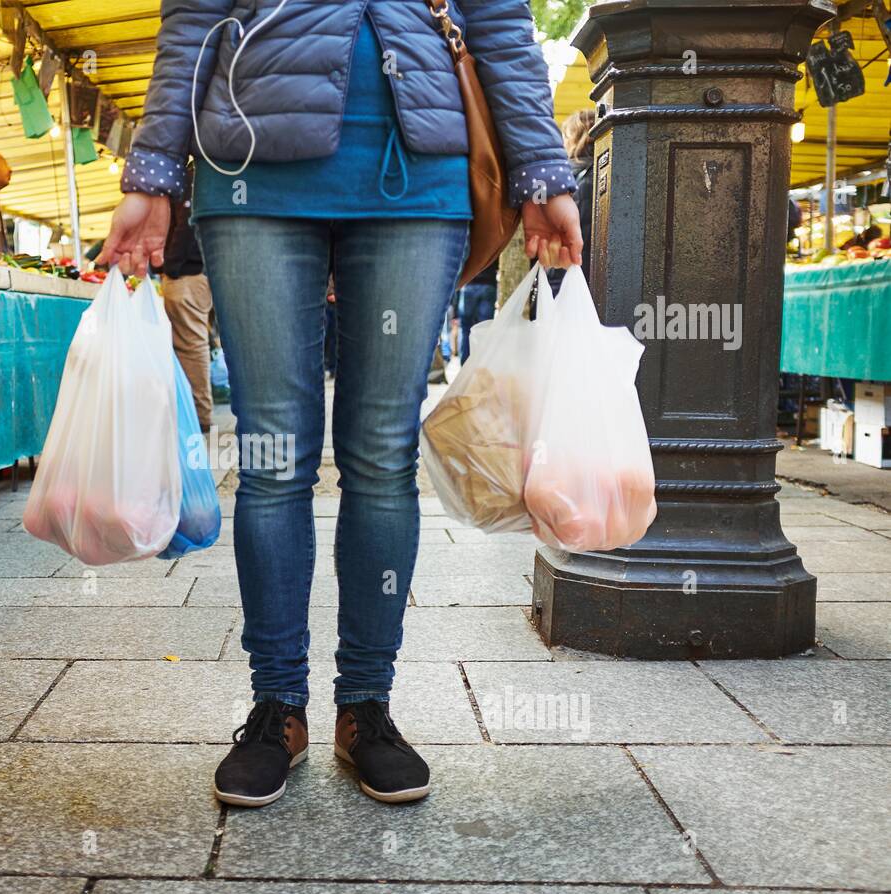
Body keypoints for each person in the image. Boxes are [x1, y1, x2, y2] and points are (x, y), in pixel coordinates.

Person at [99, 0, 581, 809]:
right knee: (274, 456)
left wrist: (539, 168)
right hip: (253, 171)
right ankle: (278, 708)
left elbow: (497, 17)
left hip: (417, 173)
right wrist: (153, 172)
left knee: (382, 454)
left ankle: (367, 707)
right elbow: (193, 18)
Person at [160, 165, 214, 431]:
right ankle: (198, 412)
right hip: (200, 271)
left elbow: (187, 222)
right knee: (194, 344)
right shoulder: (206, 171)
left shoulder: (190, 177)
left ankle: (199, 415)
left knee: (190, 346)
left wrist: (170, 265)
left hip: (188, 274)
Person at [547, 108, 596, 294]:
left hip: (562, 275)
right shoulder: (603, 173)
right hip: (588, 279)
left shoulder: (565, 177)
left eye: (566, 136)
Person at [457, 260, 499, 364]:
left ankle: (465, 365)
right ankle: (481, 366)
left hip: (469, 285)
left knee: (466, 329)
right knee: (484, 328)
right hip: (488, 285)